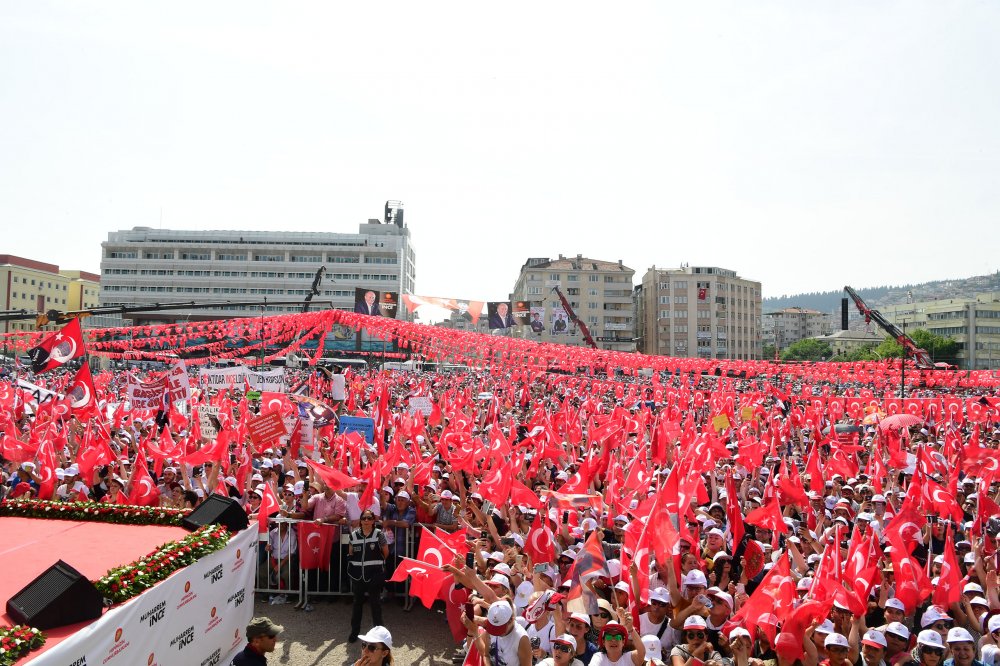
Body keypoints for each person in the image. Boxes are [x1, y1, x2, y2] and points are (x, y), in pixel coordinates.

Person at [348, 509, 389, 643]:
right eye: (364, 518)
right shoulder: (353, 535)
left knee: (375, 605)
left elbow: (386, 553)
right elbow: (351, 552)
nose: (366, 521)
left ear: (373, 521)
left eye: (369, 518)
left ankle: (380, 636)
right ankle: (354, 632)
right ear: (360, 520)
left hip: (374, 576)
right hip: (358, 576)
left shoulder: (379, 535)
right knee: (357, 605)